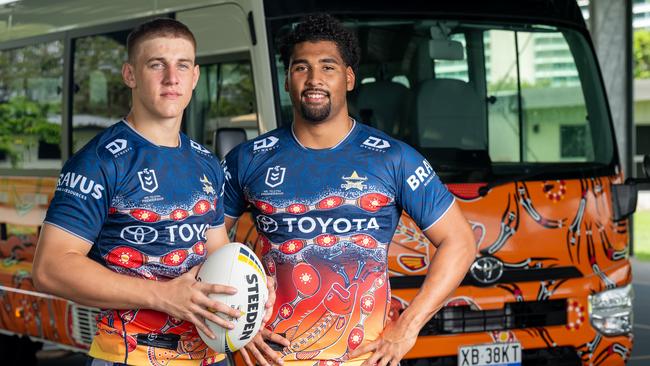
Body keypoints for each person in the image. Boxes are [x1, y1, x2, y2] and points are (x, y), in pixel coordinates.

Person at [222, 13, 477, 366]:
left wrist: (407, 328)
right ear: (286, 80)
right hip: (272, 358)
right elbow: (206, 245)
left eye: (328, 67)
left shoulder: (394, 158)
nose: (314, 79)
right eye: (301, 68)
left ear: (349, 77)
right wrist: (235, 329)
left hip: (365, 358)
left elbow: (460, 241)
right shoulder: (248, 159)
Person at [33, 18, 256, 366]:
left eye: (182, 65)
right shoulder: (98, 161)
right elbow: (50, 267)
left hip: (209, 356)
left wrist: (252, 286)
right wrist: (164, 296)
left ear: (195, 77)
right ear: (130, 75)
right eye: (157, 65)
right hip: (131, 355)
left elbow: (218, 253)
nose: (172, 77)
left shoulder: (206, 163)